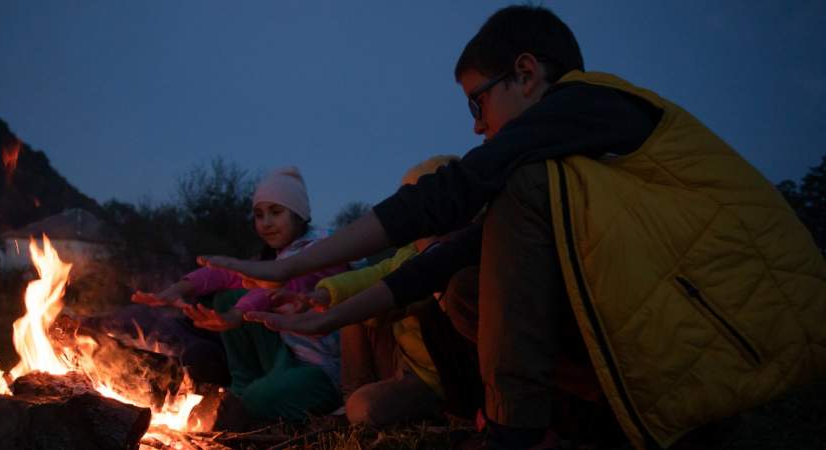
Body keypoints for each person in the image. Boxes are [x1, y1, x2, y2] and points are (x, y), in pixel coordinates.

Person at [198, 5, 826, 450]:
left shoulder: (588, 102)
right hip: (710, 338)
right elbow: (442, 257)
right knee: (469, 276)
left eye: (479, 102)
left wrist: (287, 267)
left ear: (526, 74)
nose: (476, 125)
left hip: (755, 330)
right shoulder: (573, 171)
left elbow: (452, 194)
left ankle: (516, 434)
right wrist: (328, 315)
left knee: (505, 197)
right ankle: (608, 420)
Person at [277, 154, 482, 426]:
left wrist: (348, 310)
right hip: (402, 360)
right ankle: (348, 399)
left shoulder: (459, 256)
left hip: (437, 378)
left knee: (365, 409)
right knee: (352, 306)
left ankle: (412, 412)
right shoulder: (411, 249)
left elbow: (397, 297)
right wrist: (322, 295)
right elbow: (377, 274)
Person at [136, 166, 347, 426]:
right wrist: (178, 289)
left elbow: (274, 290)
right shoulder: (278, 255)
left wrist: (237, 314)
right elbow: (227, 275)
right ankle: (242, 386)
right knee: (227, 295)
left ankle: (253, 401)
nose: (266, 223)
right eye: (259, 215)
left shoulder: (322, 252)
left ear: (299, 215)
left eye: (275, 212)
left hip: (322, 369)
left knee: (256, 401)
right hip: (287, 355)